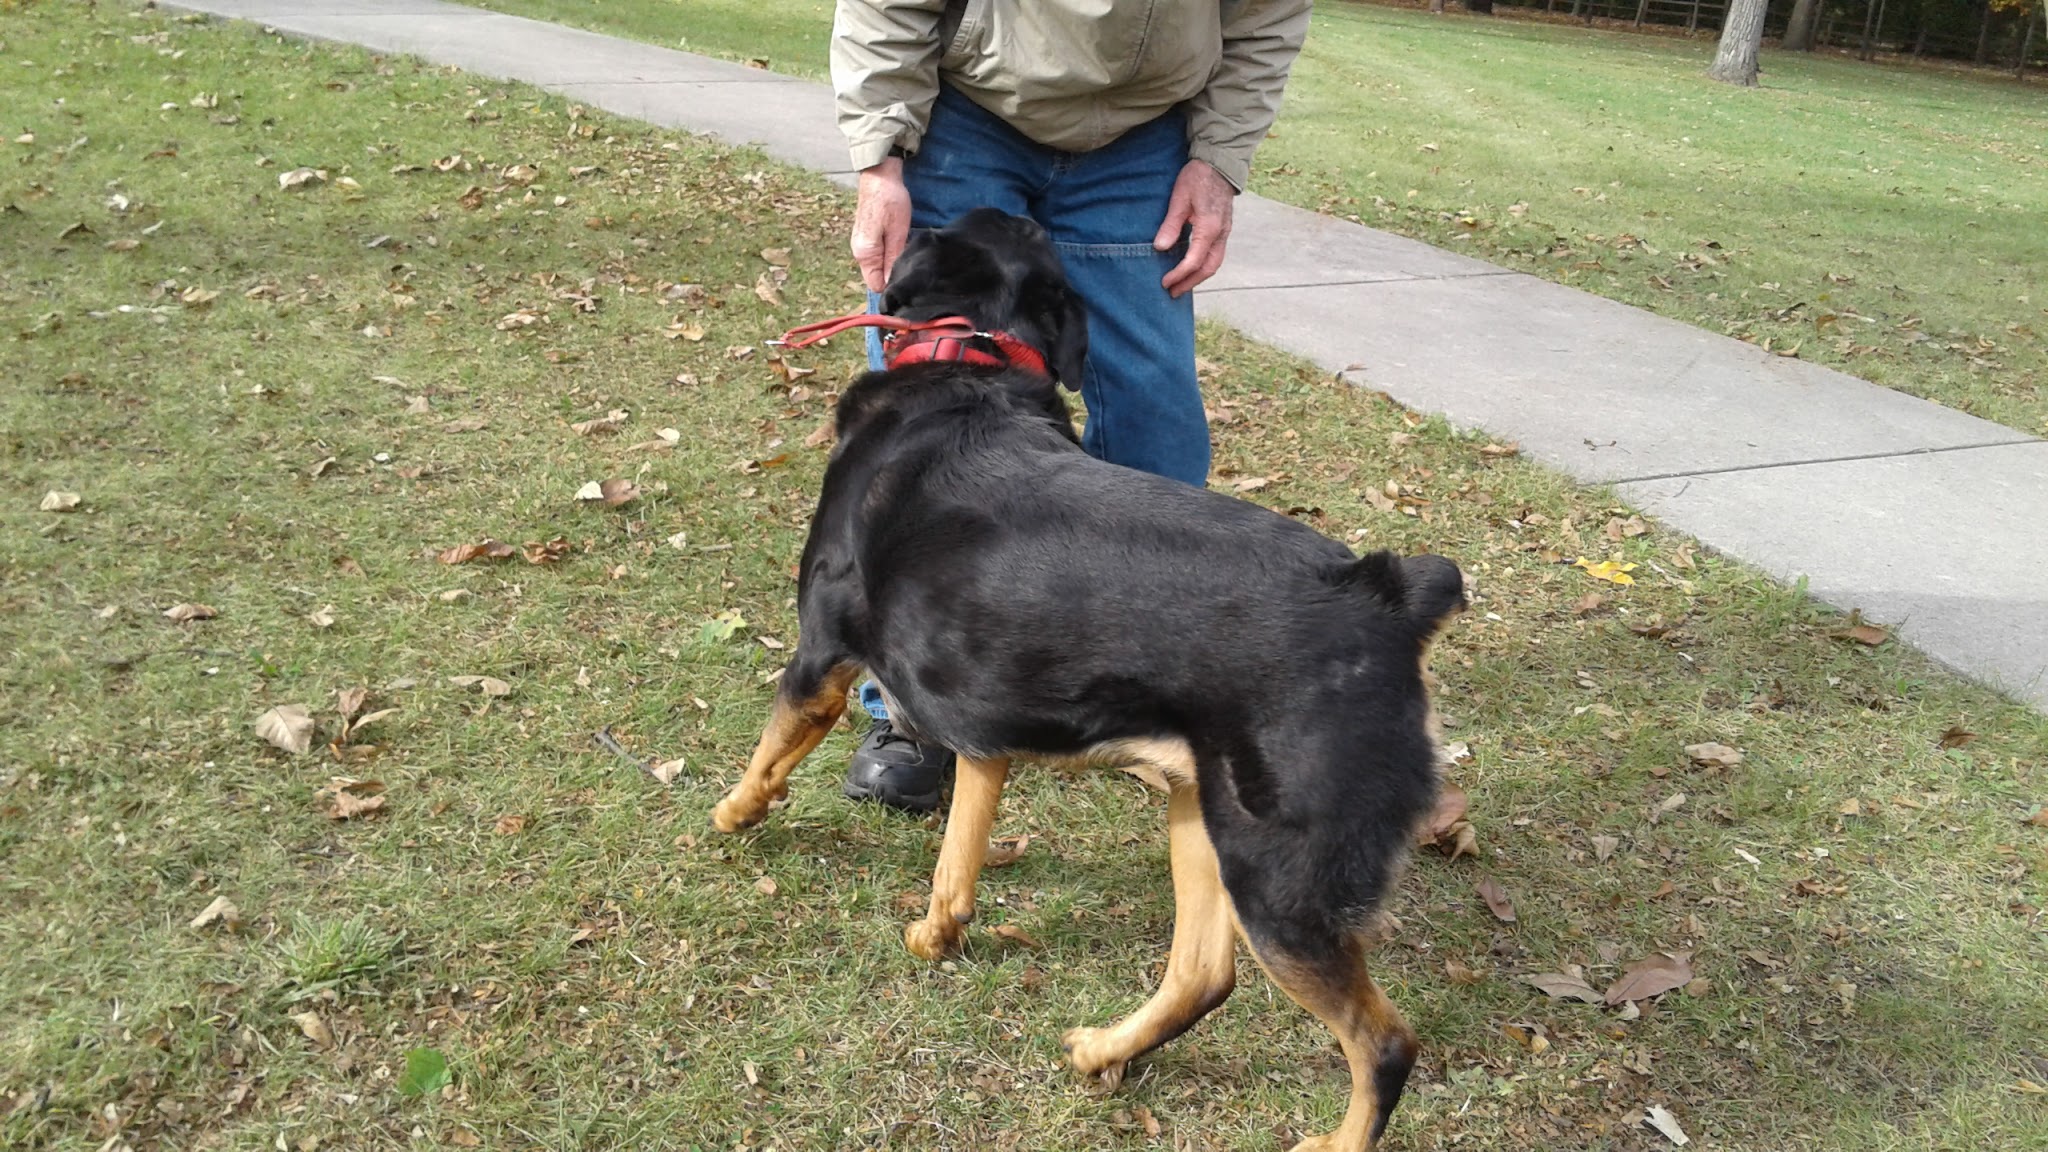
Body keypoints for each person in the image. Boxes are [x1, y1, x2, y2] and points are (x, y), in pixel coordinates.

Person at [831, 0, 1313, 811]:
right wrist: (880, 161)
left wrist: (1218, 161)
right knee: (925, 435)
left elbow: (1266, 18)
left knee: (1158, 426)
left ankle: (1125, 687)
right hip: (970, 110)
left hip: (1142, 138)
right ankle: (914, 708)